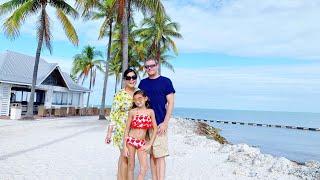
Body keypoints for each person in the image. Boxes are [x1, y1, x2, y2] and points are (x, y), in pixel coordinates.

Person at [138, 59, 175, 180]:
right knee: (152, 155)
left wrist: (165, 122)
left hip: (159, 124)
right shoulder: (142, 83)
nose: (149, 68)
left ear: (157, 66)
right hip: (145, 125)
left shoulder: (166, 82)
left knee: (160, 156)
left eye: (152, 66)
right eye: (147, 67)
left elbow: (171, 103)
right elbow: (139, 102)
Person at [105, 68, 138, 180]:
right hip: (122, 130)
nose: (131, 80)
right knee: (125, 156)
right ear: (124, 79)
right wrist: (109, 133)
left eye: (133, 77)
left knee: (130, 158)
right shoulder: (119, 94)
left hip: (136, 130)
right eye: (128, 78)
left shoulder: (139, 92)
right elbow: (113, 114)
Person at [123, 90, 158, 180]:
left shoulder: (150, 112)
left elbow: (155, 128)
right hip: (131, 141)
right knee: (131, 166)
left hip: (142, 142)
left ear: (145, 98)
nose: (138, 101)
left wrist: (150, 143)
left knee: (144, 167)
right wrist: (124, 147)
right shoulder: (132, 112)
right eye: (135, 99)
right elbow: (126, 129)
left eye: (140, 98)